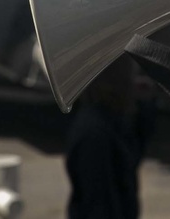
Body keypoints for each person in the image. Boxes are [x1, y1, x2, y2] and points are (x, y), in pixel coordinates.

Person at [65, 55, 155, 219]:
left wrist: (145, 107)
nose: (133, 83)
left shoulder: (111, 121)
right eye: (129, 77)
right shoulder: (95, 134)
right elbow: (99, 204)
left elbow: (133, 158)